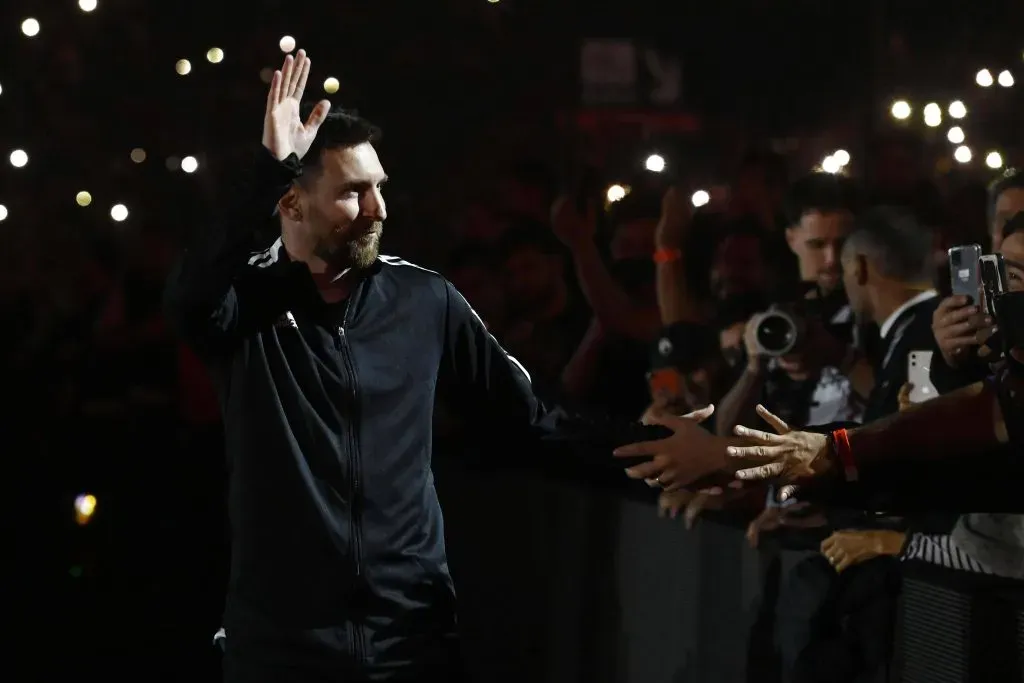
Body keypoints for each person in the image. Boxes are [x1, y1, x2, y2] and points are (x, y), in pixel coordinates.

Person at [165, 50, 668, 682]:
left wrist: (661, 451)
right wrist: (269, 168)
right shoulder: (243, 307)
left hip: (412, 642)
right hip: (282, 647)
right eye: (354, 192)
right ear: (291, 204)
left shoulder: (423, 300)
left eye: (380, 187)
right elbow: (190, 298)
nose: (378, 209)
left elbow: (533, 418)